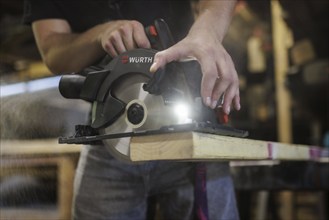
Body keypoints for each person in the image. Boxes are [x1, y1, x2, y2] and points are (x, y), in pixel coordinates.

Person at [24, 0, 241, 219]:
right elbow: (52, 51)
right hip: (112, 133)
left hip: (191, 132)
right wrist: (100, 34)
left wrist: (207, 32)